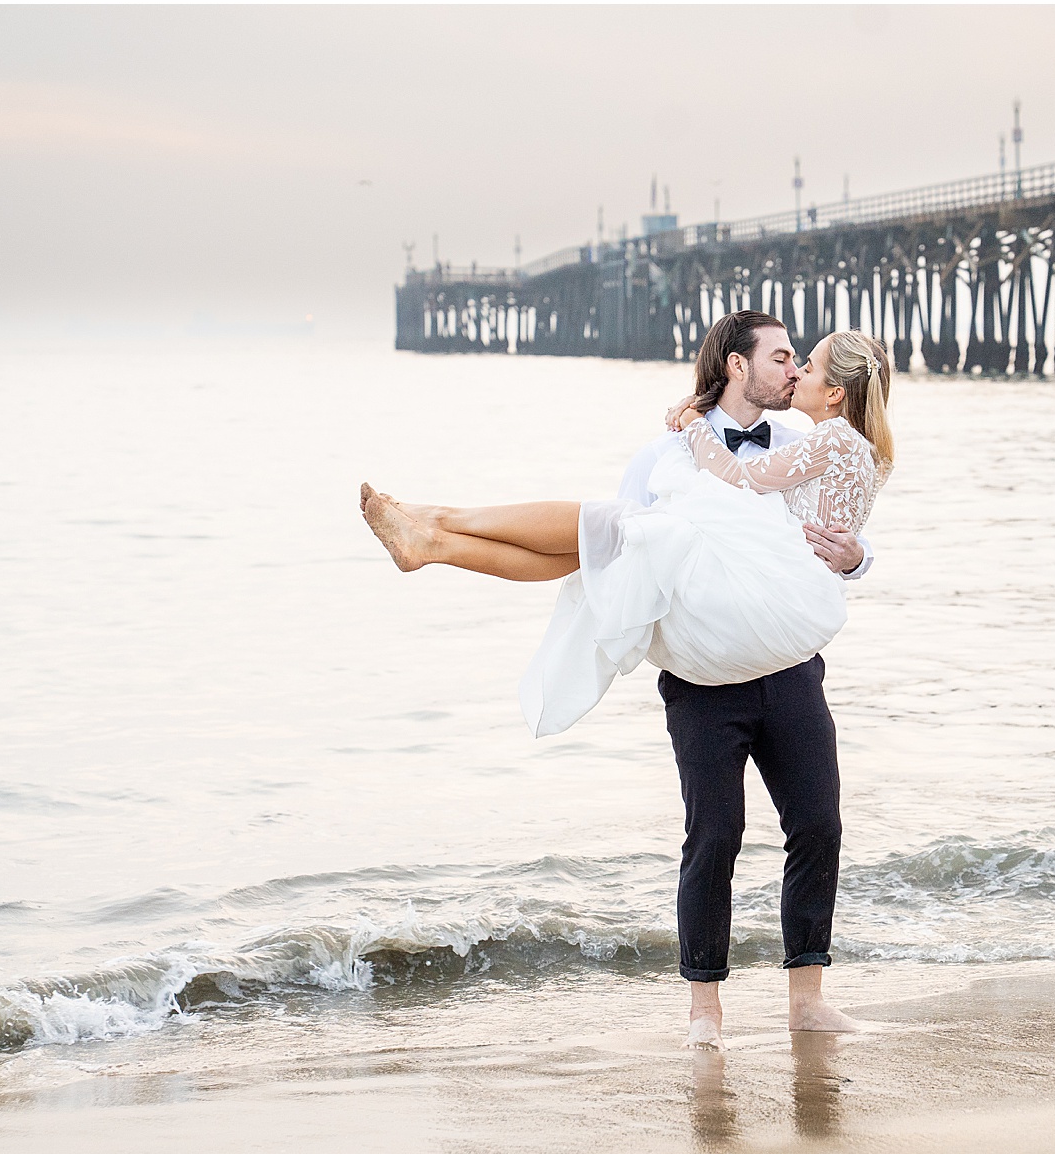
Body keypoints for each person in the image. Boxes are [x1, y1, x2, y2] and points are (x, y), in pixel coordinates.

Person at [360, 312, 892, 1047]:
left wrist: (855, 557)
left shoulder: (808, 440)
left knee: (820, 826)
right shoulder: (662, 453)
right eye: (780, 357)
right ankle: (705, 1012)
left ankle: (807, 999)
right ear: (738, 367)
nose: (795, 368)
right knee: (715, 834)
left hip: (789, 670)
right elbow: (613, 559)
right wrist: (690, 434)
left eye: (801, 360)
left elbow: (853, 532)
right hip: (704, 679)